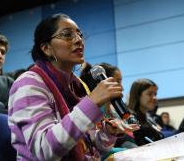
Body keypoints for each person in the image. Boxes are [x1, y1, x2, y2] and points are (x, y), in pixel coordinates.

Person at [8, 13, 131, 160]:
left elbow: (94, 148)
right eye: (67, 35)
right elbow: (44, 150)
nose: (79, 40)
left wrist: (108, 133)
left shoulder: (77, 86)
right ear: (46, 48)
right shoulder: (28, 84)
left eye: (79, 34)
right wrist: (91, 103)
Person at [127, 78, 164, 146]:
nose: (154, 97)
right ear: (137, 95)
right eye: (150, 94)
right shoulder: (130, 118)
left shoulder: (148, 117)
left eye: (155, 94)